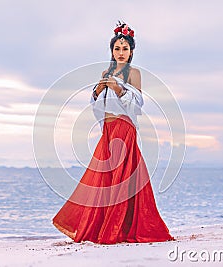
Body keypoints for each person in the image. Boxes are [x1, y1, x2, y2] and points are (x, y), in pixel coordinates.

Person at [52, 22, 174, 244]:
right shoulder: (105, 72)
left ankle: (117, 228)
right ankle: (100, 227)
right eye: (117, 48)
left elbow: (137, 104)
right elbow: (99, 105)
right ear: (112, 51)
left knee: (121, 177)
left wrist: (119, 89)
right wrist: (97, 92)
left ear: (131, 52)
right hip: (107, 130)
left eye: (125, 49)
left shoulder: (133, 73)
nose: (120, 53)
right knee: (102, 178)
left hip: (124, 128)